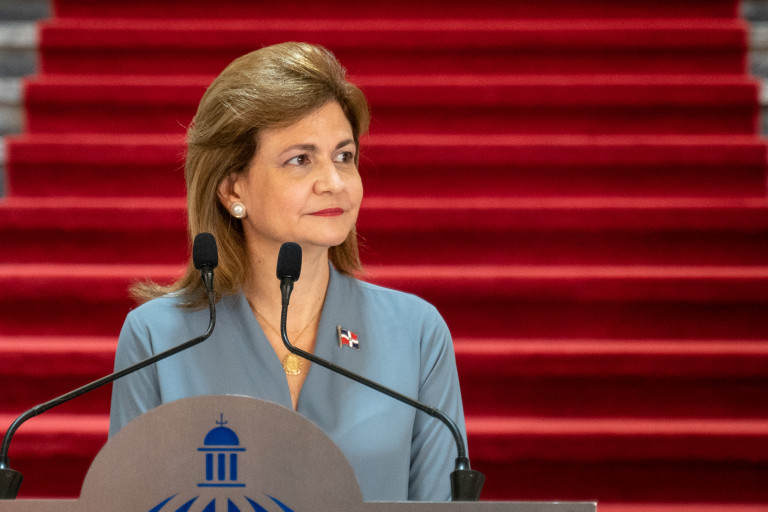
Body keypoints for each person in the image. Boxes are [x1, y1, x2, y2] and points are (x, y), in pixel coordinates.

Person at [108, 42, 467, 502]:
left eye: (344, 157)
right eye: (301, 159)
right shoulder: (157, 338)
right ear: (232, 188)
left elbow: (440, 504)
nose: (333, 182)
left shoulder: (416, 333)